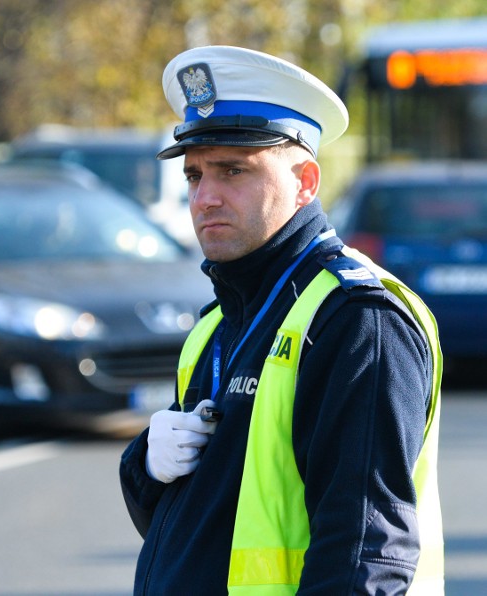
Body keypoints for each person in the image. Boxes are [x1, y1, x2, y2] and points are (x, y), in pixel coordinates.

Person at [119, 45, 444, 595]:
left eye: (233, 170)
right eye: (195, 175)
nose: (205, 198)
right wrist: (145, 466)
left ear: (306, 181)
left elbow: (364, 556)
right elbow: (193, 527)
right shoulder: (217, 324)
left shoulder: (358, 321)